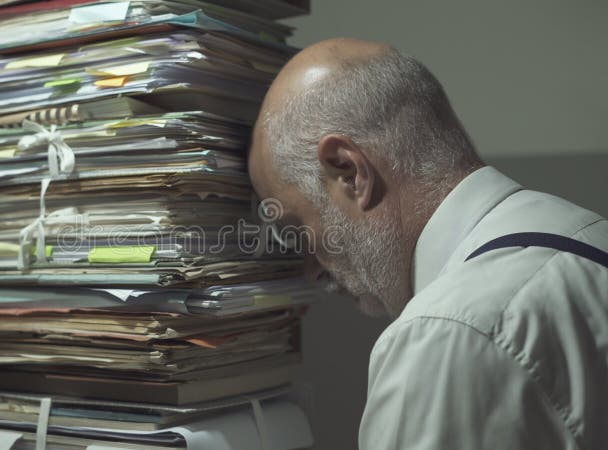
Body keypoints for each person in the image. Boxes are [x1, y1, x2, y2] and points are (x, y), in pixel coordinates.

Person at [248, 38, 608, 450]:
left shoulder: (446, 335)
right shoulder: (587, 234)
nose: (310, 270)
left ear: (349, 171)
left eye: (297, 229)